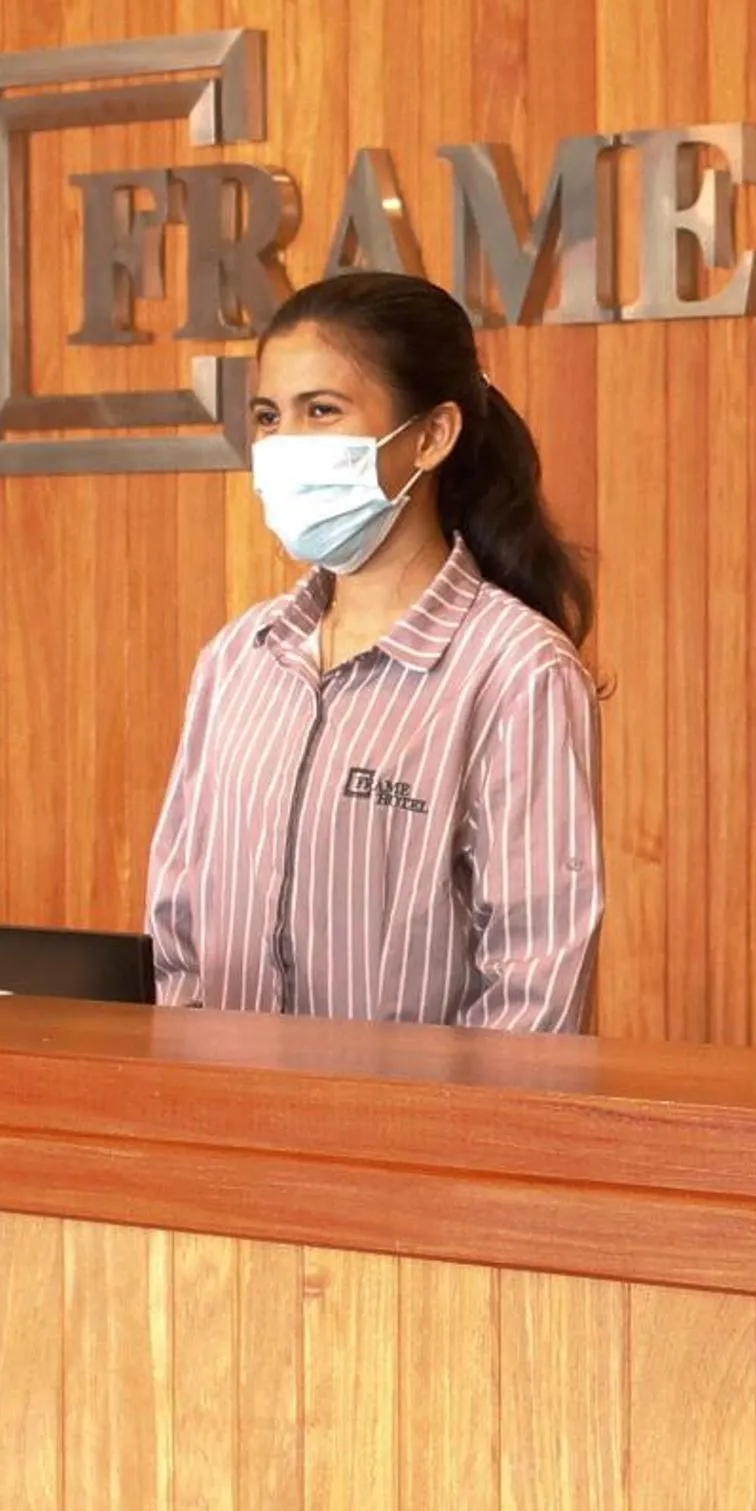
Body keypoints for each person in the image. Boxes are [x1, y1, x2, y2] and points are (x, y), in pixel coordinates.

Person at [145, 268, 602, 1029]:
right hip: (219, 1128)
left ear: (431, 435)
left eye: (320, 410)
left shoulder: (516, 669)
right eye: (268, 416)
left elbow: (535, 985)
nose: (284, 446)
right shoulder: (237, 658)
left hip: (408, 1140)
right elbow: (177, 934)